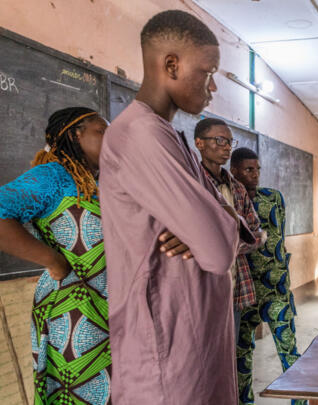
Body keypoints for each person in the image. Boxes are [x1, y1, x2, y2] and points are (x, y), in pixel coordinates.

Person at [99, 10, 254, 404]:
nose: (213, 86)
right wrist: (214, 226)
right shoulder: (141, 134)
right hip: (167, 354)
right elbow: (219, 252)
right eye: (208, 71)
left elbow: (222, 231)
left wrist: (214, 223)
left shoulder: (173, 137)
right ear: (172, 65)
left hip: (195, 342)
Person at [0, 107, 115, 404]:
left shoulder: (103, 181)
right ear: (75, 135)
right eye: (102, 131)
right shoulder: (53, 176)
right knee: (81, 394)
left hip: (110, 307)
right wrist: (53, 260)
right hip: (73, 312)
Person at [231, 147, 305, 405]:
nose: (255, 174)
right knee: (241, 358)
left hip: (276, 290)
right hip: (244, 293)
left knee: (289, 349)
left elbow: (279, 238)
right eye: (249, 169)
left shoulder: (273, 198)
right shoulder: (228, 203)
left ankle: (300, 401)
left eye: (258, 169)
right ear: (234, 171)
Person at [194, 118, 265, 312]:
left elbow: (256, 232)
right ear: (199, 143)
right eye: (219, 140)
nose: (226, 147)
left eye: (229, 142)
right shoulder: (193, 186)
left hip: (236, 285)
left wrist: (224, 246)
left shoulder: (237, 188)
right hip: (203, 285)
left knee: (231, 340)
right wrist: (238, 241)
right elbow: (195, 238)